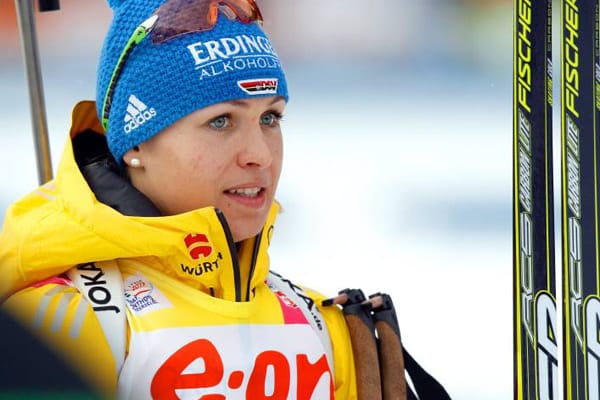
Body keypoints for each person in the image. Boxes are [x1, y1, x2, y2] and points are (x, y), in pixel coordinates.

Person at [0, 0, 358, 398]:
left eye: (270, 118)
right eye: (220, 121)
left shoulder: (318, 322)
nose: (260, 153)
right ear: (136, 140)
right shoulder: (64, 320)